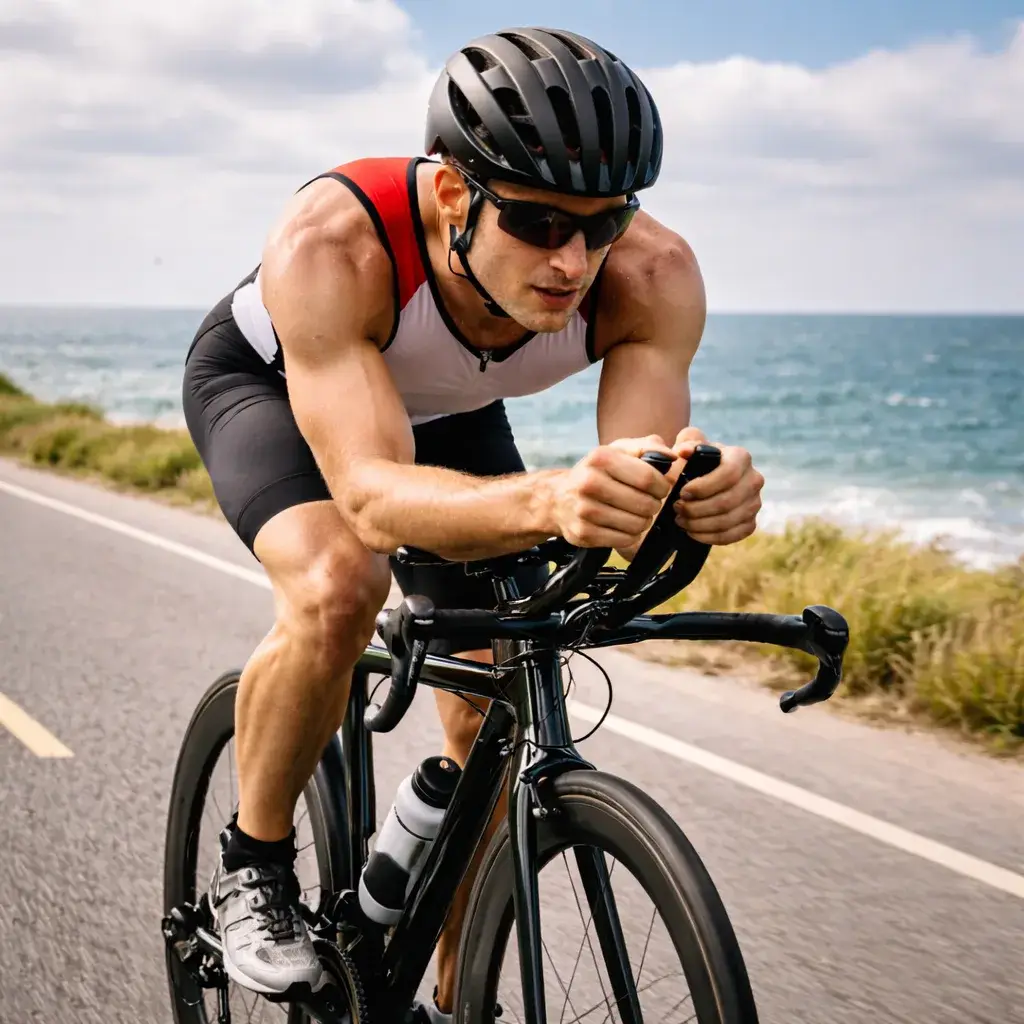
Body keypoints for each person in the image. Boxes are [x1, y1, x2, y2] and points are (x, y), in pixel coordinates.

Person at [181, 25, 765, 1022]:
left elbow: (633, 489)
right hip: (277, 389)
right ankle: (255, 863)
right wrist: (544, 497)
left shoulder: (652, 277)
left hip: (444, 413)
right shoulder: (336, 244)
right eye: (537, 222)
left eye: (604, 221)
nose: (573, 259)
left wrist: (693, 499)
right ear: (452, 193)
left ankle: (454, 989)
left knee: (501, 674)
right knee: (339, 586)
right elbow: (367, 494)